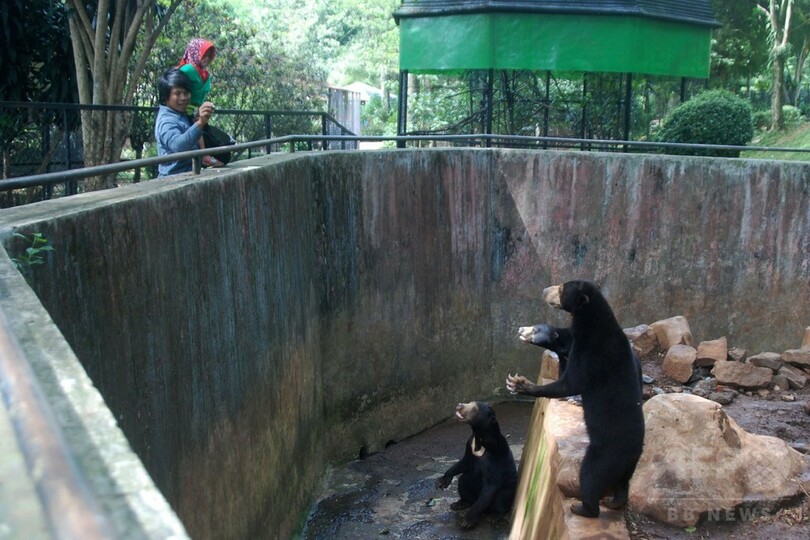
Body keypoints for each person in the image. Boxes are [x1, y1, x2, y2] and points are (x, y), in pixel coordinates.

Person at [154, 68, 216, 177]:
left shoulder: (181, 114)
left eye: (186, 93)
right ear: (166, 96)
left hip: (189, 174)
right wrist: (200, 122)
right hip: (172, 179)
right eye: (177, 93)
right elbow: (178, 145)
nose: (183, 98)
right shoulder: (166, 121)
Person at [178, 38, 222, 167]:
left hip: (195, 109)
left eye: (210, 56)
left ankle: (204, 156)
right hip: (183, 110)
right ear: (196, 53)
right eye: (205, 55)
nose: (207, 59)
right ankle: (203, 156)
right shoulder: (186, 70)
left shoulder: (205, 74)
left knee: (200, 128)